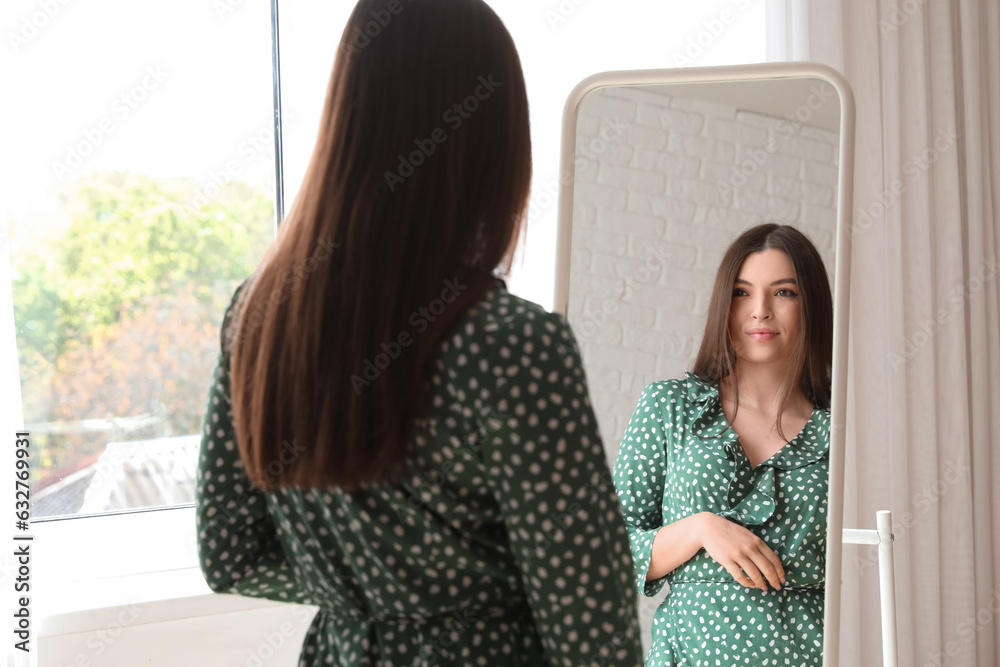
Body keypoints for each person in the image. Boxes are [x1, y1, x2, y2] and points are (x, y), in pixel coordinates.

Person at [194, 1, 643, 665]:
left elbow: (229, 556)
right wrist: (456, 602)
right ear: (492, 144)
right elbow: (593, 636)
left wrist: (367, 595)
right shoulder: (512, 346)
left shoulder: (258, 318)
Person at [612, 223, 833, 665]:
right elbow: (606, 551)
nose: (761, 311)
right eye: (742, 292)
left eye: (784, 293)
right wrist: (700, 528)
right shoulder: (670, 408)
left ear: (812, 305)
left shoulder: (846, 432)